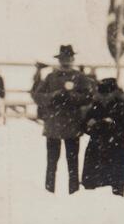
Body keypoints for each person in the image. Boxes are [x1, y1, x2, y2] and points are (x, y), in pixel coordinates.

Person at [36, 46, 87, 194]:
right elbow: (37, 96)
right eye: (63, 58)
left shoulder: (80, 77)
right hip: (54, 126)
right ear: (59, 60)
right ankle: (48, 192)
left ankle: (74, 192)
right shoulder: (51, 77)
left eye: (69, 58)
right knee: (51, 163)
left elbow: (89, 96)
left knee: (73, 163)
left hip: (73, 125)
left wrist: (73, 97)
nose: (66, 61)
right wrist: (53, 95)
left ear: (73, 59)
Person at [80, 77, 124, 196]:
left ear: (114, 93)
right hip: (96, 147)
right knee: (91, 183)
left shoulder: (123, 106)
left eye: (107, 95)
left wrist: (101, 124)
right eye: (101, 94)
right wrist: (90, 125)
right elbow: (84, 125)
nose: (103, 98)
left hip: (115, 148)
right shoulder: (95, 105)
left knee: (116, 182)